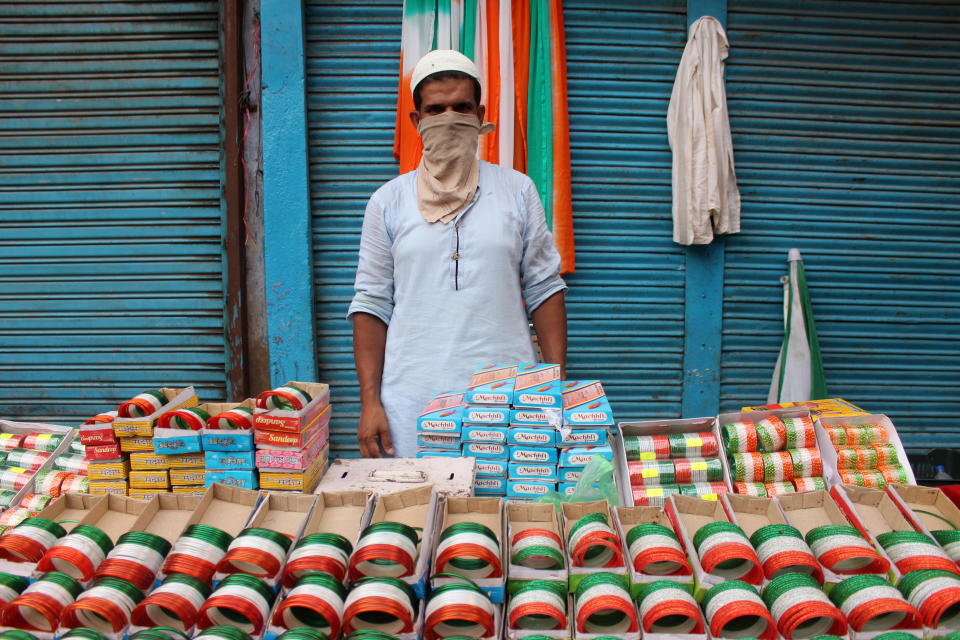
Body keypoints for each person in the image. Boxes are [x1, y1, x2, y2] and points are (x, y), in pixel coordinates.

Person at [347, 50, 568, 458]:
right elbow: (371, 304)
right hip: (412, 403)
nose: (449, 118)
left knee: (508, 517)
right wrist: (370, 402)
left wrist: (557, 384)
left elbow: (544, 288)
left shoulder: (517, 191)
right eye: (436, 110)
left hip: (510, 398)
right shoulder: (388, 202)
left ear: (479, 113)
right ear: (416, 121)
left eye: (461, 108)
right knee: (418, 515)